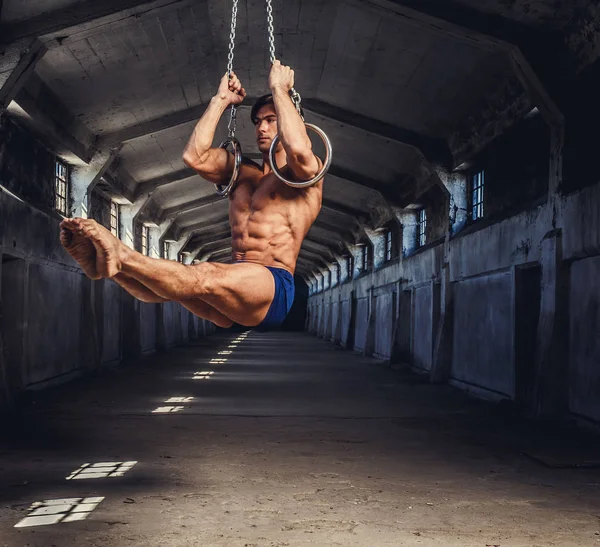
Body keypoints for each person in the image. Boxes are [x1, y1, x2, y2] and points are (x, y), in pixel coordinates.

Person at [60, 60, 324, 329]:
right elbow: (194, 156)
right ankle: (112, 269)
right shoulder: (242, 173)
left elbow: (299, 150)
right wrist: (221, 100)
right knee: (171, 289)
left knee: (204, 273)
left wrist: (280, 89)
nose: (261, 128)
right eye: (257, 122)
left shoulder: (305, 175)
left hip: (272, 288)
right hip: (236, 281)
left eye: (270, 120)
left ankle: (122, 255)